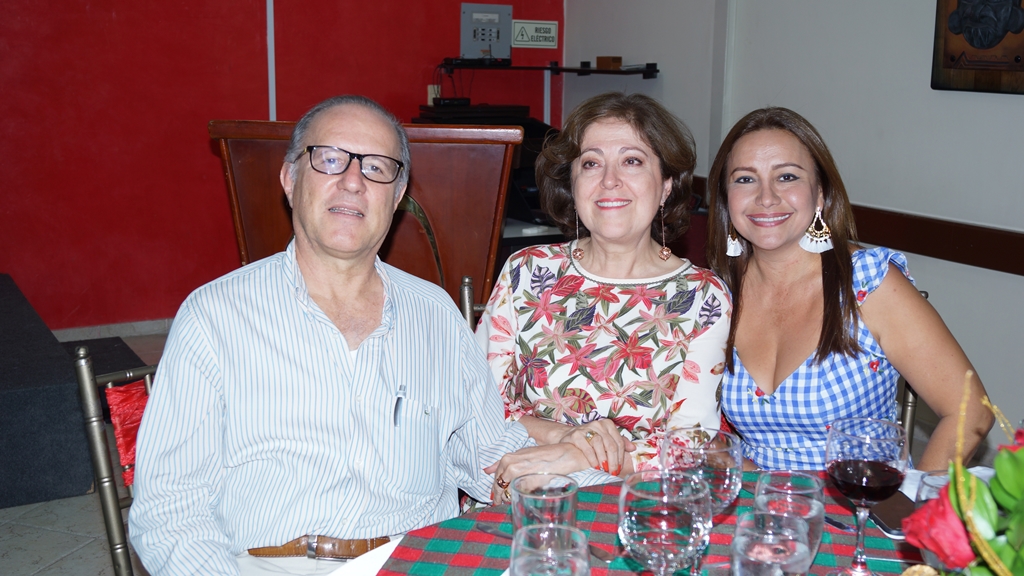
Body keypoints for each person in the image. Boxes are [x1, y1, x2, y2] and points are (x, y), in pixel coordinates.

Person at [128, 95, 530, 576]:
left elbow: (490, 454)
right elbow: (170, 509)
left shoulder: (435, 315)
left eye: (378, 167)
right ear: (290, 179)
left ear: (397, 196)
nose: (354, 182)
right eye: (331, 159)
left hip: (416, 561)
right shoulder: (215, 316)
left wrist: (593, 477)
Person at [706, 106, 994, 471]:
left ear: (820, 194)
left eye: (787, 177)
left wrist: (907, 509)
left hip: (861, 504)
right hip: (765, 510)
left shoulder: (868, 283)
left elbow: (970, 412)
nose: (766, 197)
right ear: (725, 198)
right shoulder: (717, 294)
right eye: (745, 179)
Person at [478, 92, 731, 489]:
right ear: (573, 183)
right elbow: (477, 405)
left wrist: (580, 457)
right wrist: (561, 437)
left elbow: (692, 440)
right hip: (516, 494)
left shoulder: (703, 297)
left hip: (635, 507)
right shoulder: (526, 272)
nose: (609, 180)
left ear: (666, 185)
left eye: (632, 161)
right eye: (591, 163)